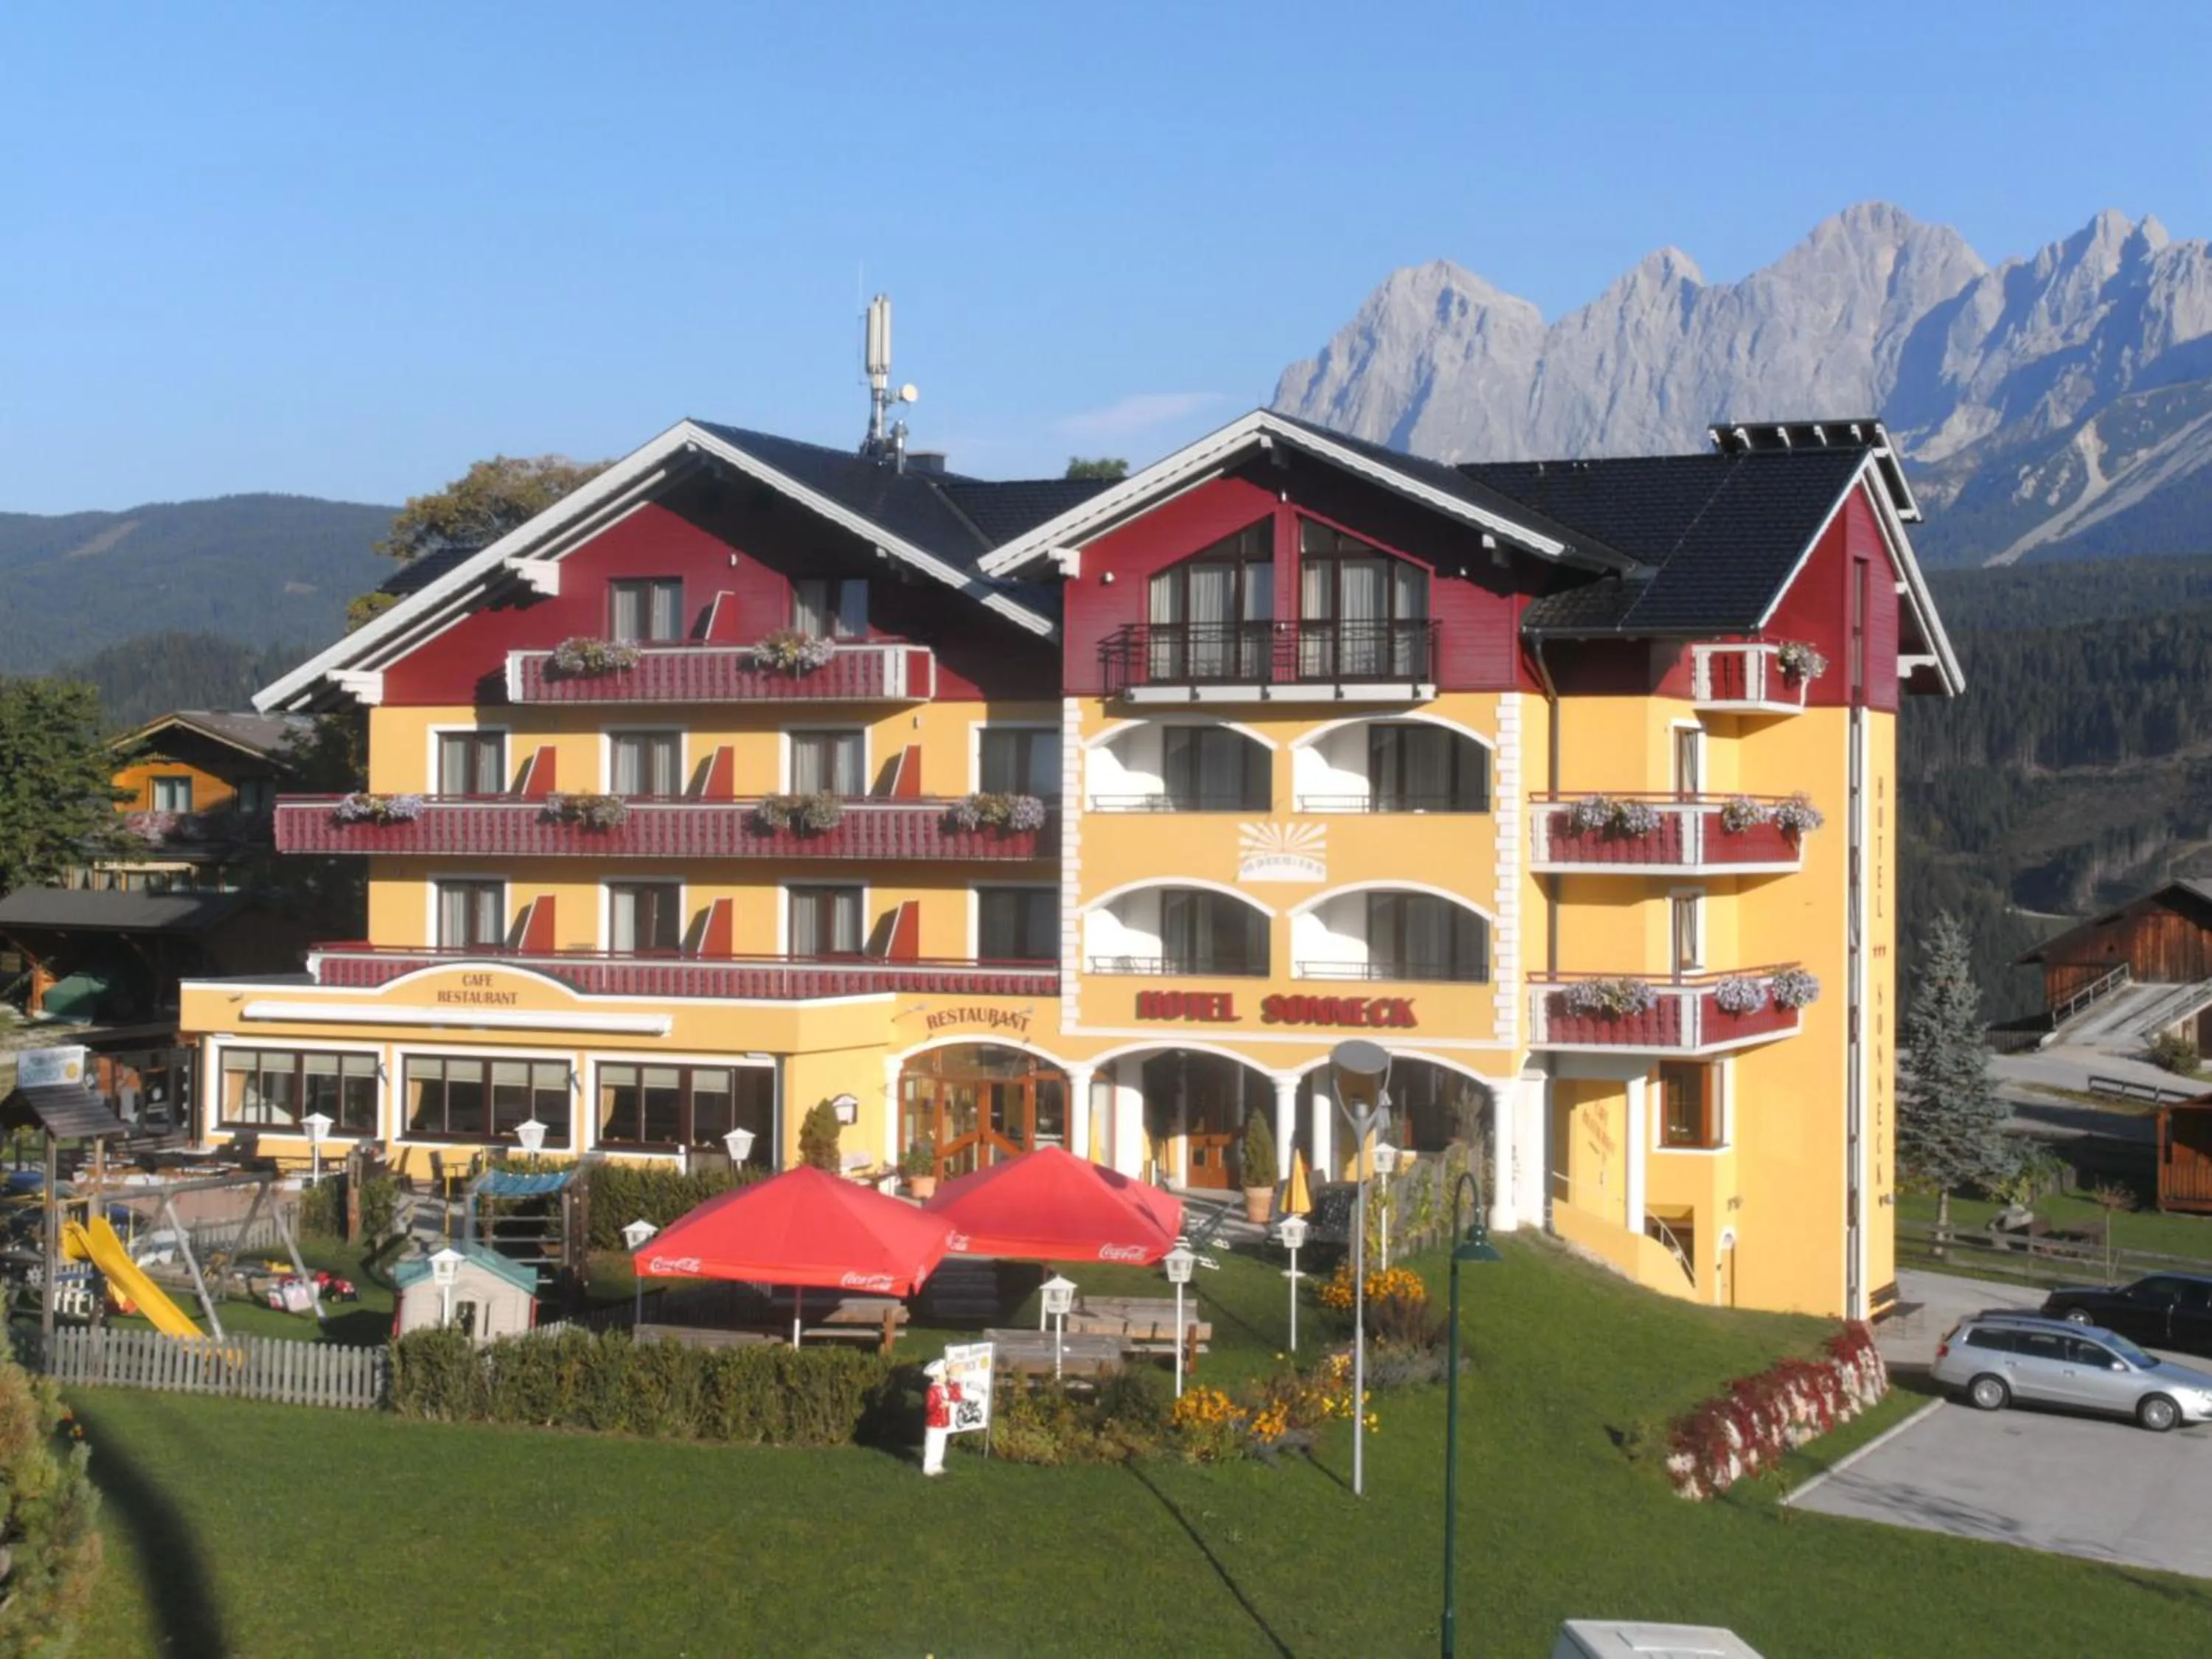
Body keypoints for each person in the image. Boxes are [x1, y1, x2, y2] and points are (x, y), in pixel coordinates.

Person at [922, 1357, 962, 1477]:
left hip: (943, 1422)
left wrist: (956, 1381)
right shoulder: (933, 1390)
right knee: (932, 1444)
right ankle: (929, 1466)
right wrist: (941, 1405)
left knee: (940, 1444)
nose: (947, 1376)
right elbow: (930, 1407)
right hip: (934, 1423)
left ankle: (937, 1464)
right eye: (945, 1374)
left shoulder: (945, 1387)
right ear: (938, 1376)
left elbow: (957, 1396)